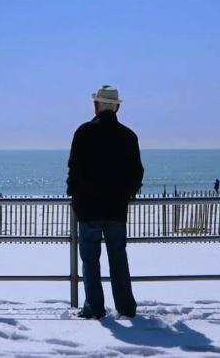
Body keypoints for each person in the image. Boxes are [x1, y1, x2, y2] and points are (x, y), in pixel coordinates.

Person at [66, 85, 144, 319]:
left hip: (89, 209)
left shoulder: (84, 132)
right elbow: (137, 172)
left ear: (96, 106)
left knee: (90, 260)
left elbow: (74, 170)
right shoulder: (128, 136)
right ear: (117, 107)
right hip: (117, 209)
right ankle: (126, 306)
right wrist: (125, 194)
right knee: (118, 258)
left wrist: (77, 198)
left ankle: (94, 307)